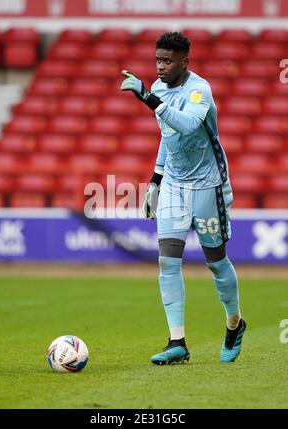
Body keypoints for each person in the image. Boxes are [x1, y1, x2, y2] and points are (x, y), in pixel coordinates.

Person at [120, 31, 246, 365]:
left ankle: (234, 323)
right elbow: (168, 135)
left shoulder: (198, 90)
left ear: (184, 61)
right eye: (158, 59)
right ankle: (177, 342)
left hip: (208, 185)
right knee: (167, 260)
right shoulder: (159, 89)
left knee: (216, 262)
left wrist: (147, 98)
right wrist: (156, 179)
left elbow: (188, 125)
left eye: (167, 60)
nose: (160, 67)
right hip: (175, 184)